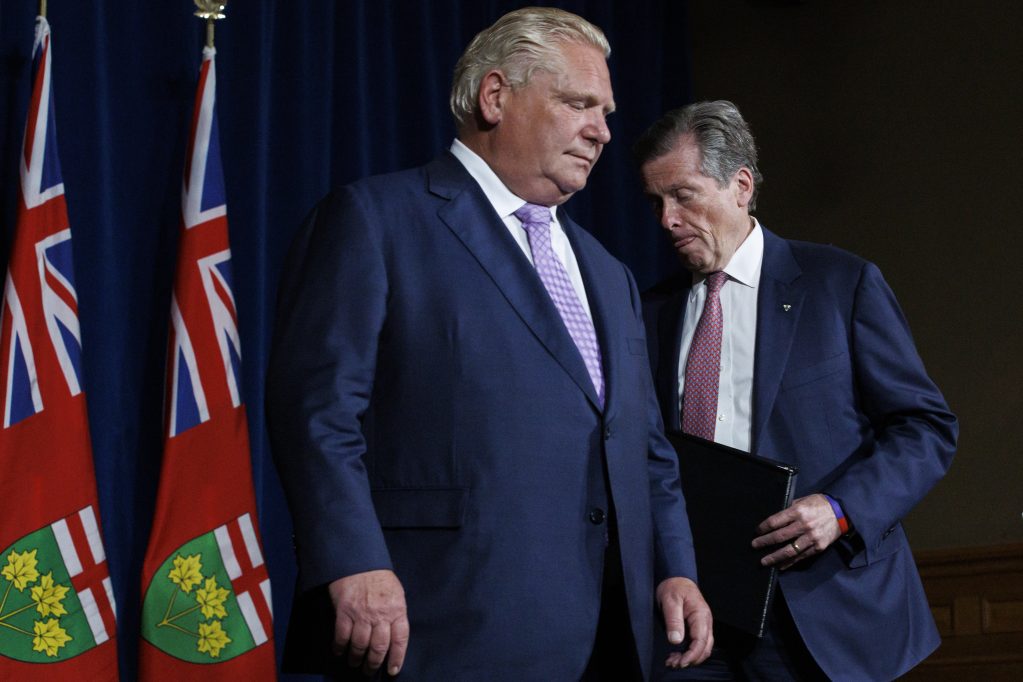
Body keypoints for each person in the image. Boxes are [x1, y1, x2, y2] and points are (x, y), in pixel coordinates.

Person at [266, 8, 713, 680]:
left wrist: (674, 568)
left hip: (610, 637)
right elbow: (317, 412)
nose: (601, 130)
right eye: (577, 103)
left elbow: (643, 444)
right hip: (441, 623)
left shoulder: (607, 272)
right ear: (495, 96)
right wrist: (352, 559)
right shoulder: (376, 221)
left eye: (606, 110)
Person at [635, 100, 957, 681]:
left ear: (740, 185)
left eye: (683, 195)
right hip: (699, 616)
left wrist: (840, 511)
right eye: (655, 202)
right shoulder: (650, 313)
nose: (667, 219)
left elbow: (926, 429)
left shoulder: (840, 284)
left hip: (823, 609)